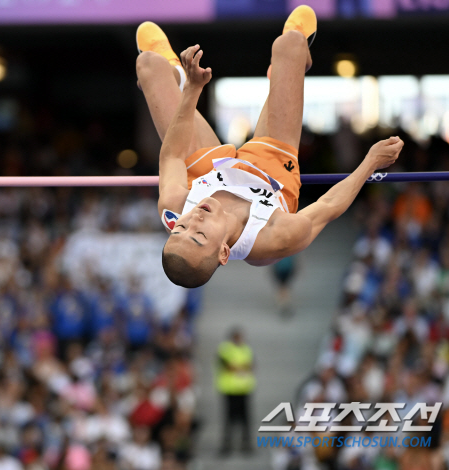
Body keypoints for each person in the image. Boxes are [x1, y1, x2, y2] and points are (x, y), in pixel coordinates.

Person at [135, 7, 404, 288]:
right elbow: (328, 206)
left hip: (205, 166)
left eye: (180, 228)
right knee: (289, 45)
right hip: (270, 170)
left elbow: (172, 155)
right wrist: (370, 163)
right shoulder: (273, 238)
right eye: (199, 234)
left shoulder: (174, 207)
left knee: (149, 65)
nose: (194, 219)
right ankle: (288, 69)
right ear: (224, 252)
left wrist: (192, 88)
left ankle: (175, 72)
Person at [215, 328, 255, 456]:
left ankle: (246, 444)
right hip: (230, 389)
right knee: (229, 419)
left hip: (244, 389)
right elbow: (227, 366)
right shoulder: (225, 348)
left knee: (245, 419)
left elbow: (252, 365)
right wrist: (242, 367)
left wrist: (239, 367)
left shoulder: (246, 349)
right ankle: (227, 444)